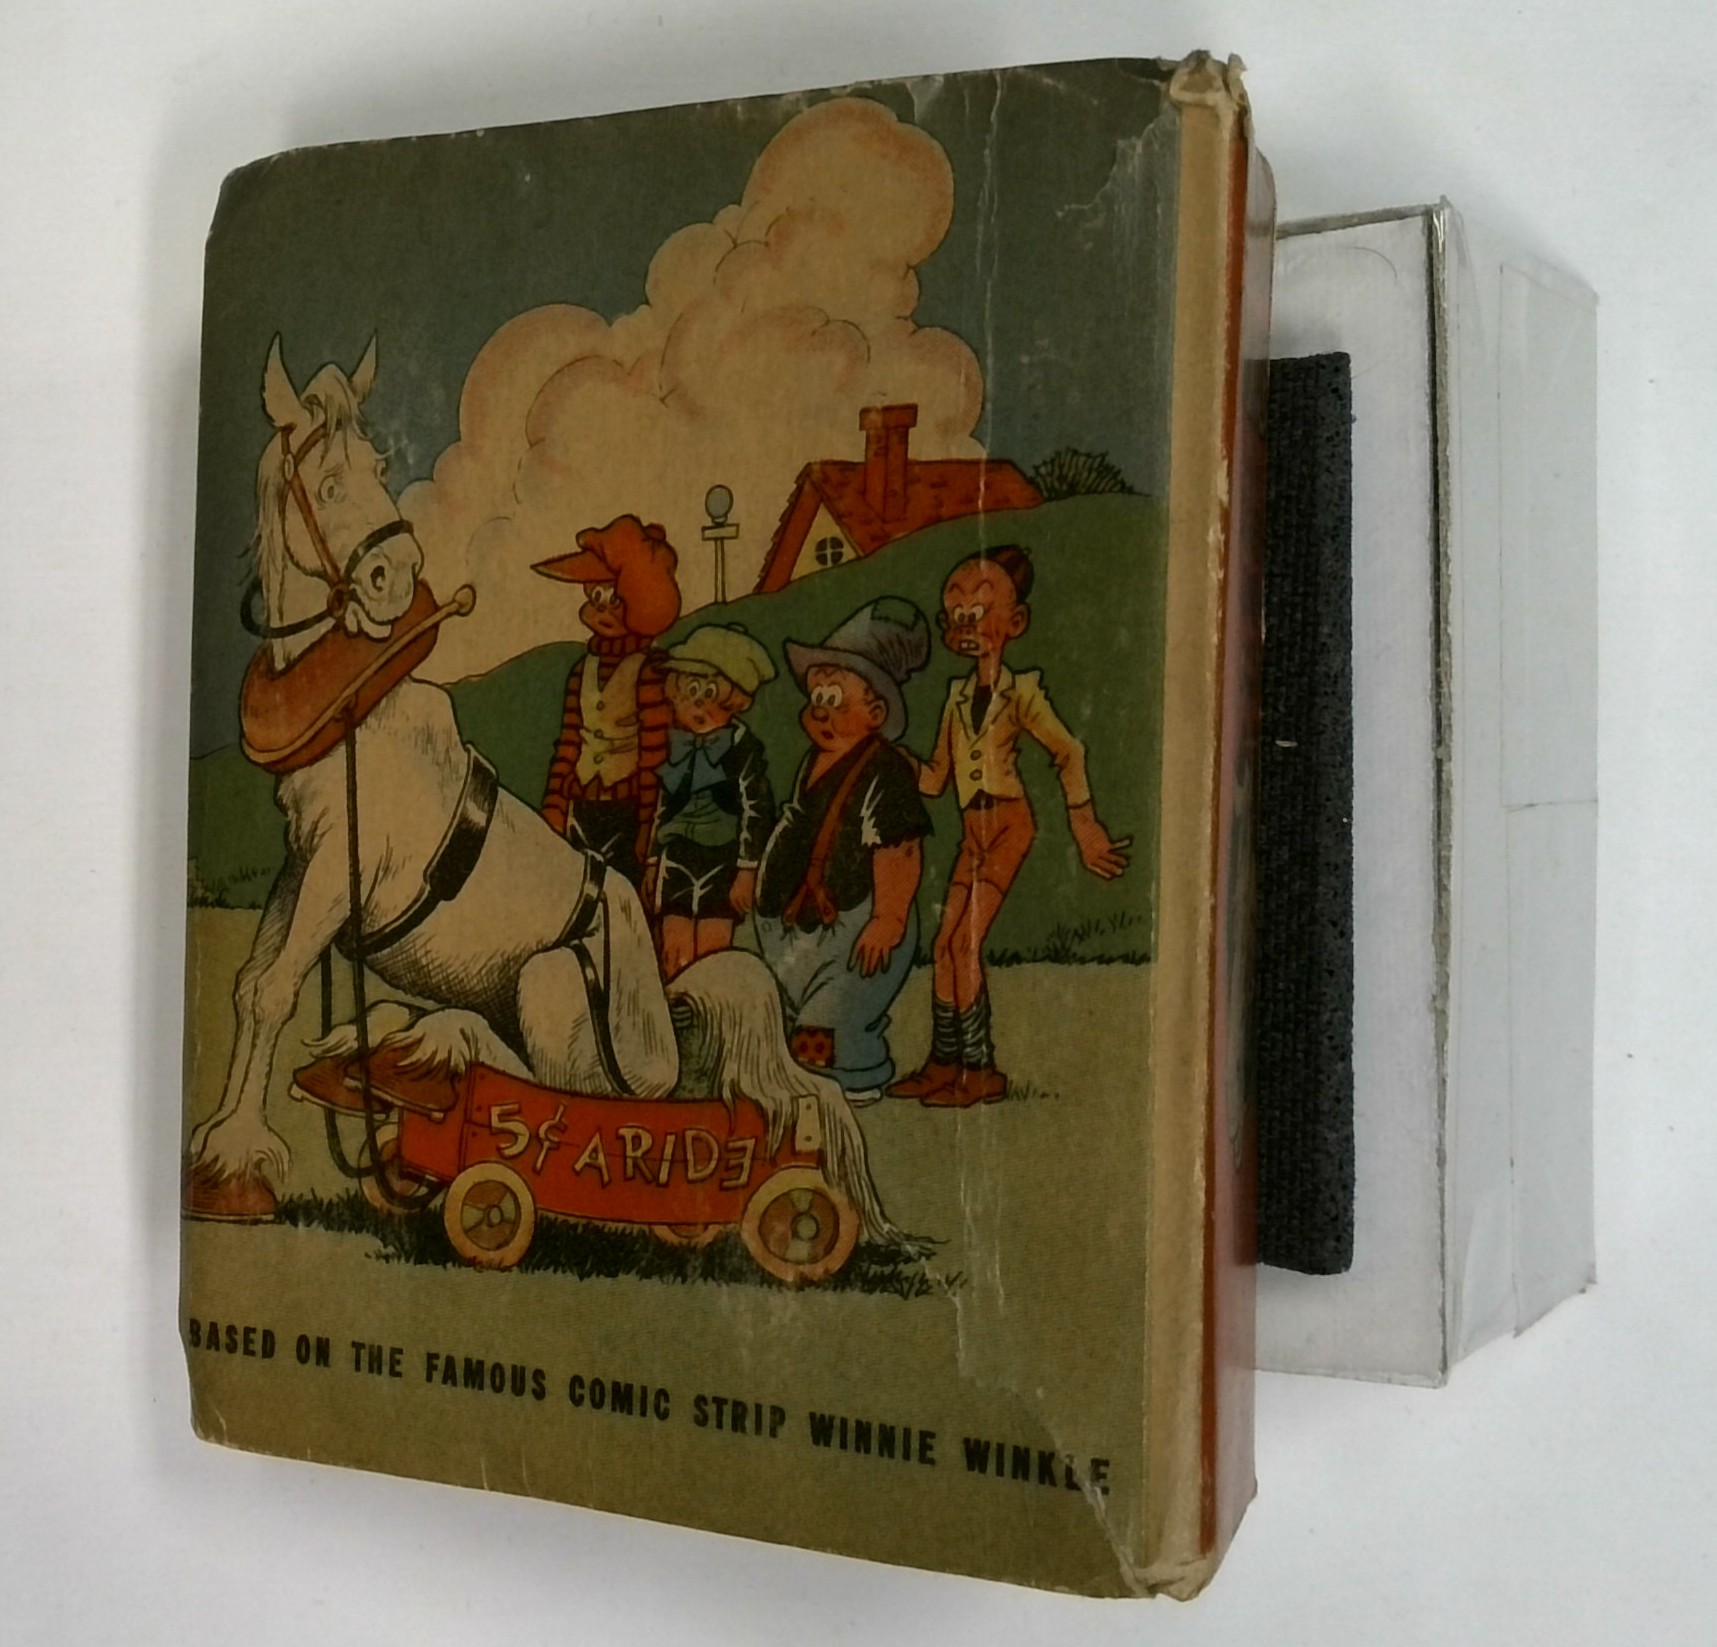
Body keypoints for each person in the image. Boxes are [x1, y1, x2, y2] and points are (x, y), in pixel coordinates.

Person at [893, 546, 1129, 1106]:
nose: (965, 625)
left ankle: (982, 1070)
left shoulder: (1021, 693)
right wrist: (892, 760)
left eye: (978, 612)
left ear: (1014, 622)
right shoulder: (955, 698)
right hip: (971, 831)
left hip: (1008, 826)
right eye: (956, 614)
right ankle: (943, 1063)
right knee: (944, 944)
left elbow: (1069, 751)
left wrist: (1085, 824)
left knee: (966, 942)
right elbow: (935, 779)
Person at [753, 599, 932, 1104]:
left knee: (830, 1019)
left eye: (835, 698)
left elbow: (900, 848)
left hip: (857, 926)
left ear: (876, 713)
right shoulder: (813, 761)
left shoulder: (885, 771)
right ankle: (806, 1077)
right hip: (798, 929)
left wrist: (889, 919)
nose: (821, 710)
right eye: (817, 696)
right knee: (786, 1015)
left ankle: (843, 1085)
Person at [533, 515, 681, 887]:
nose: (602, 611)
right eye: (596, 597)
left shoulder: (650, 671)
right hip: (581, 807)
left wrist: (648, 828)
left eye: (614, 600)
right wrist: (554, 807)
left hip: (626, 812)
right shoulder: (581, 671)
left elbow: (656, 756)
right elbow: (569, 744)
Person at [647, 624, 777, 978]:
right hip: (677, 858)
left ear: (734, 701)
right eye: (691, 691)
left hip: (723, 861)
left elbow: (757, 809)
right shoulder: (678, 744)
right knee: (672, 952)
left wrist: (747, 870)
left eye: (709, 693)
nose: (698, 704)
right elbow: (664, 805)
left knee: (713, 954)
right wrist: (654, 860)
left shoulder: (743, 748)